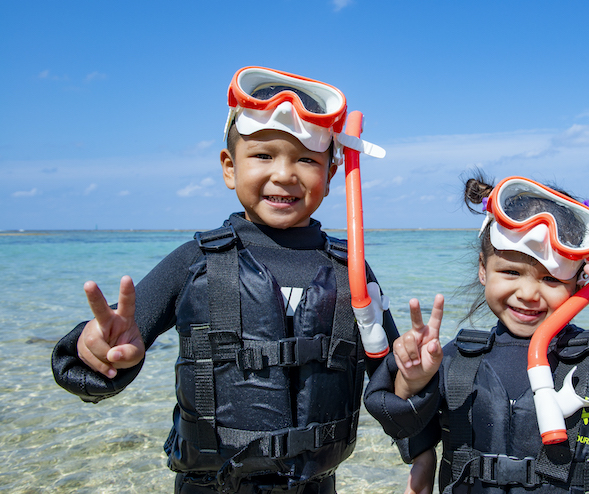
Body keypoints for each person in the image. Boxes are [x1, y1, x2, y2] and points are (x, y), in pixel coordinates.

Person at [52, 66, 409, 493]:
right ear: (228, 167)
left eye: (307, 160)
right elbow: (108, 349)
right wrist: (96, 352)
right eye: (263, 155)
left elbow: (389, 380)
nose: (285, 174)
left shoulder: (350, 271)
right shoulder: (195, 262)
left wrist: (416, 376)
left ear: (331, 176)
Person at [364, 173, 589, 494]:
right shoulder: (455, 359)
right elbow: (406, 427)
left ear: (581, 282)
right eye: (511, 272)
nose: (529, 294)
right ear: (483, 270)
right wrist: (410, 382)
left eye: (550, 279)